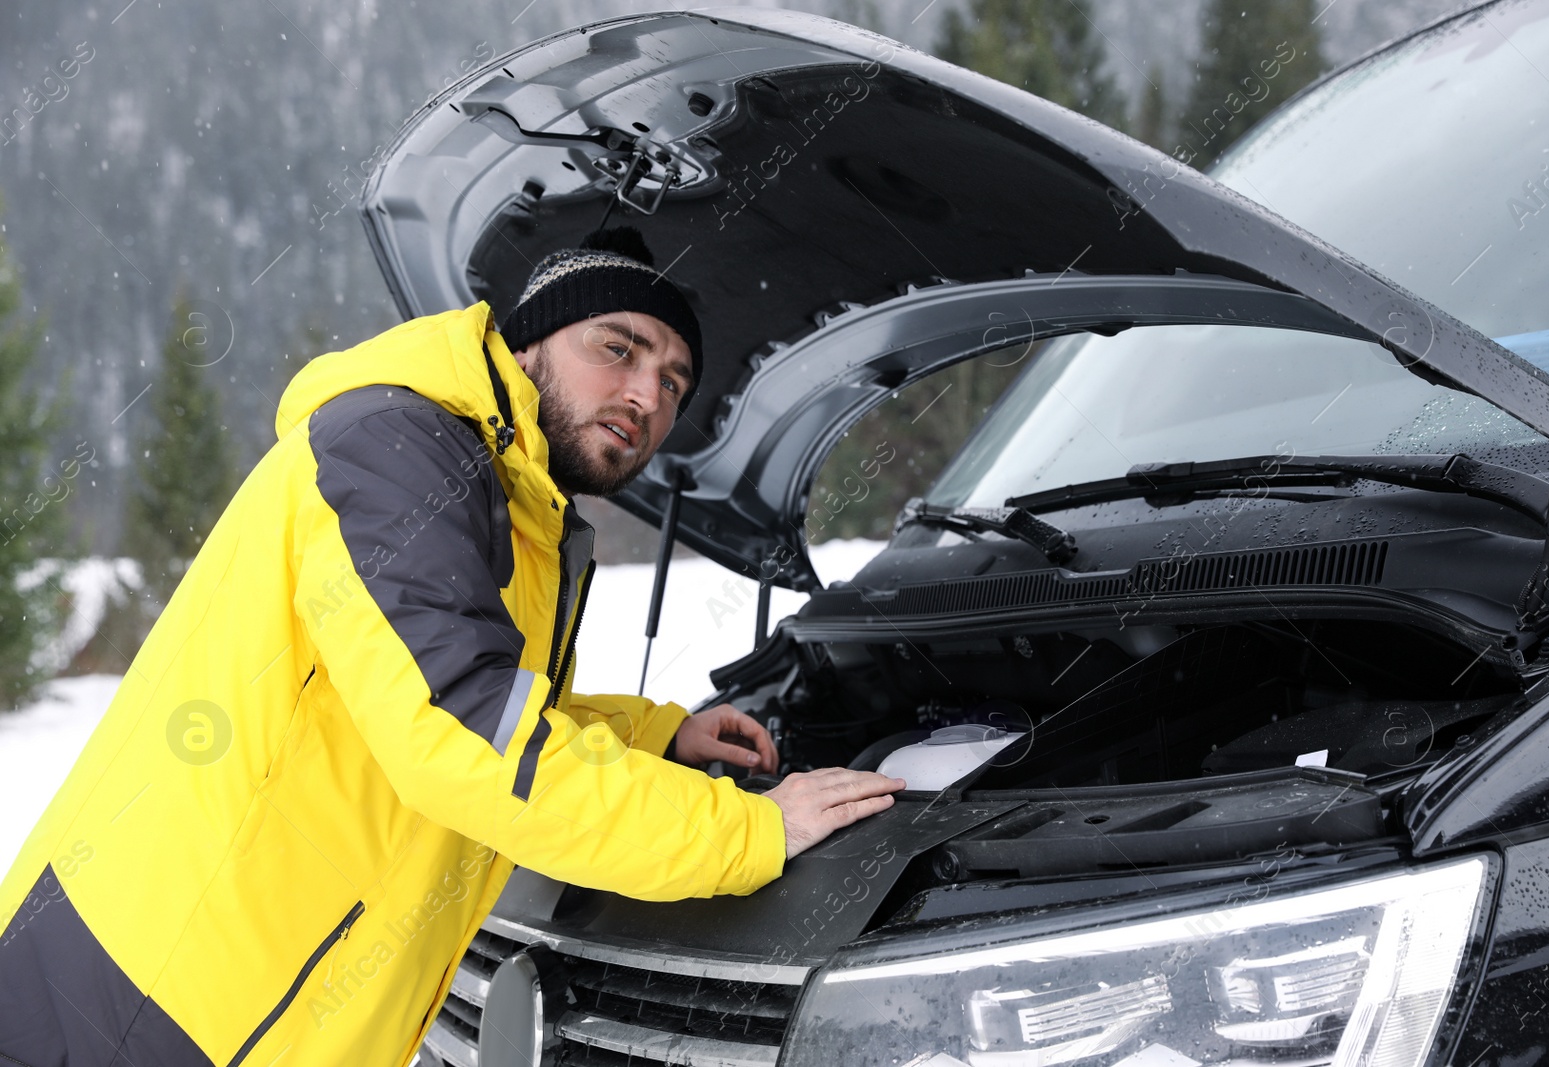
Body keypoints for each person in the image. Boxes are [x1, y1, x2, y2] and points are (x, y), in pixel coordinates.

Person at [0, 227, 905, 1066]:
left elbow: (460, 692)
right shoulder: (397, 449)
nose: (643, 395)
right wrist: (752, 828)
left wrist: (655, 737)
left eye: (672, 381)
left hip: (236, 1000)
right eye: (617, 347)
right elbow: (468, 733)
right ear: (527, 345)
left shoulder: (508, 495)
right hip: (142, 999)